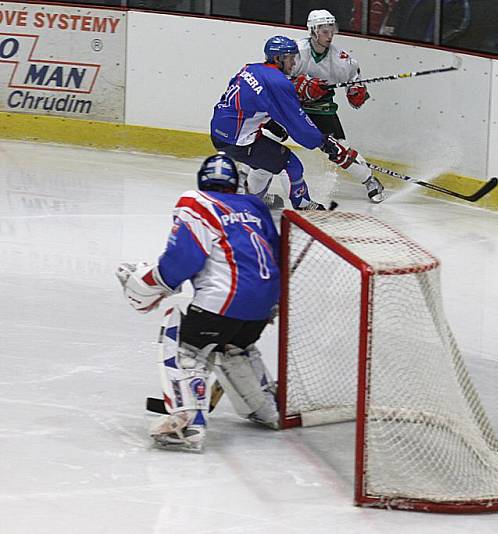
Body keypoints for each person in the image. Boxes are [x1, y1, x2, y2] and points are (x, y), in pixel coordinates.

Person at [115, 154, 283, 451]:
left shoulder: (197, 202)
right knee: (234, 345)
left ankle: (188, 424)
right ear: (236, 184)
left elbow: (182, 261)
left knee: (183, 341)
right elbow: (277, 253)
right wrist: (272, 301)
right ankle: (266, 407)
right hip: (264, 304)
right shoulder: (255, 206)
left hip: (223, 302)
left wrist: (150, 285)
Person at [210, 35, 369, 210]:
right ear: (278, 58)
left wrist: (293, 87)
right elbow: (296, 122)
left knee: (264, 166)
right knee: (291, 164)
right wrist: (323, 142)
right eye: (291, 58)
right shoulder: (277, 83)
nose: (294, 63)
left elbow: (256, 96)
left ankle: (252, 201)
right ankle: (303, 204)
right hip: (237, 140)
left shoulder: (252, 68)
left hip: (220, 130)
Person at [290, 9, 386, 203]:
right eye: (324, 31)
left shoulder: (340, 60)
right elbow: (276, 77)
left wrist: (357, 90)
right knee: (267, 136)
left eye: (331, 30)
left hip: (321, 108)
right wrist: (297, 85)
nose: (329, 35)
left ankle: (370, 181)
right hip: (290, 106)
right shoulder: (296, 51)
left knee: (339, 149)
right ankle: (246, 175)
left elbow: (354, 77)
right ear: (313, 31)